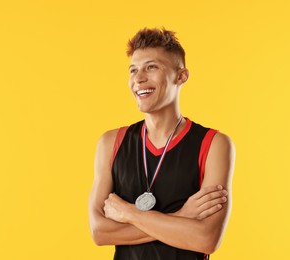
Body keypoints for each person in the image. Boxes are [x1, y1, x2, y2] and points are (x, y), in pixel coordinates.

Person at [88, 27, 235, 260]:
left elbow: (207, 238)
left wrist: (128, 213)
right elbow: (99, 232)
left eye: (151, 67)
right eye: (133, 70)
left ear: (181, 76)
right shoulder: (111, 142)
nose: (138, 78)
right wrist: (182, 217)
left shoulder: (214, 144)